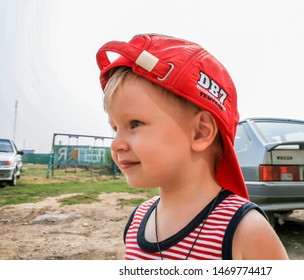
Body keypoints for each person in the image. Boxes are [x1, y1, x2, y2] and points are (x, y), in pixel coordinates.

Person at [95, 33, 288, 260]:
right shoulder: (138, 220)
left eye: (134, 124)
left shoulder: (244, 230)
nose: (116, 144)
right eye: (115, 128)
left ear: (200, 132)